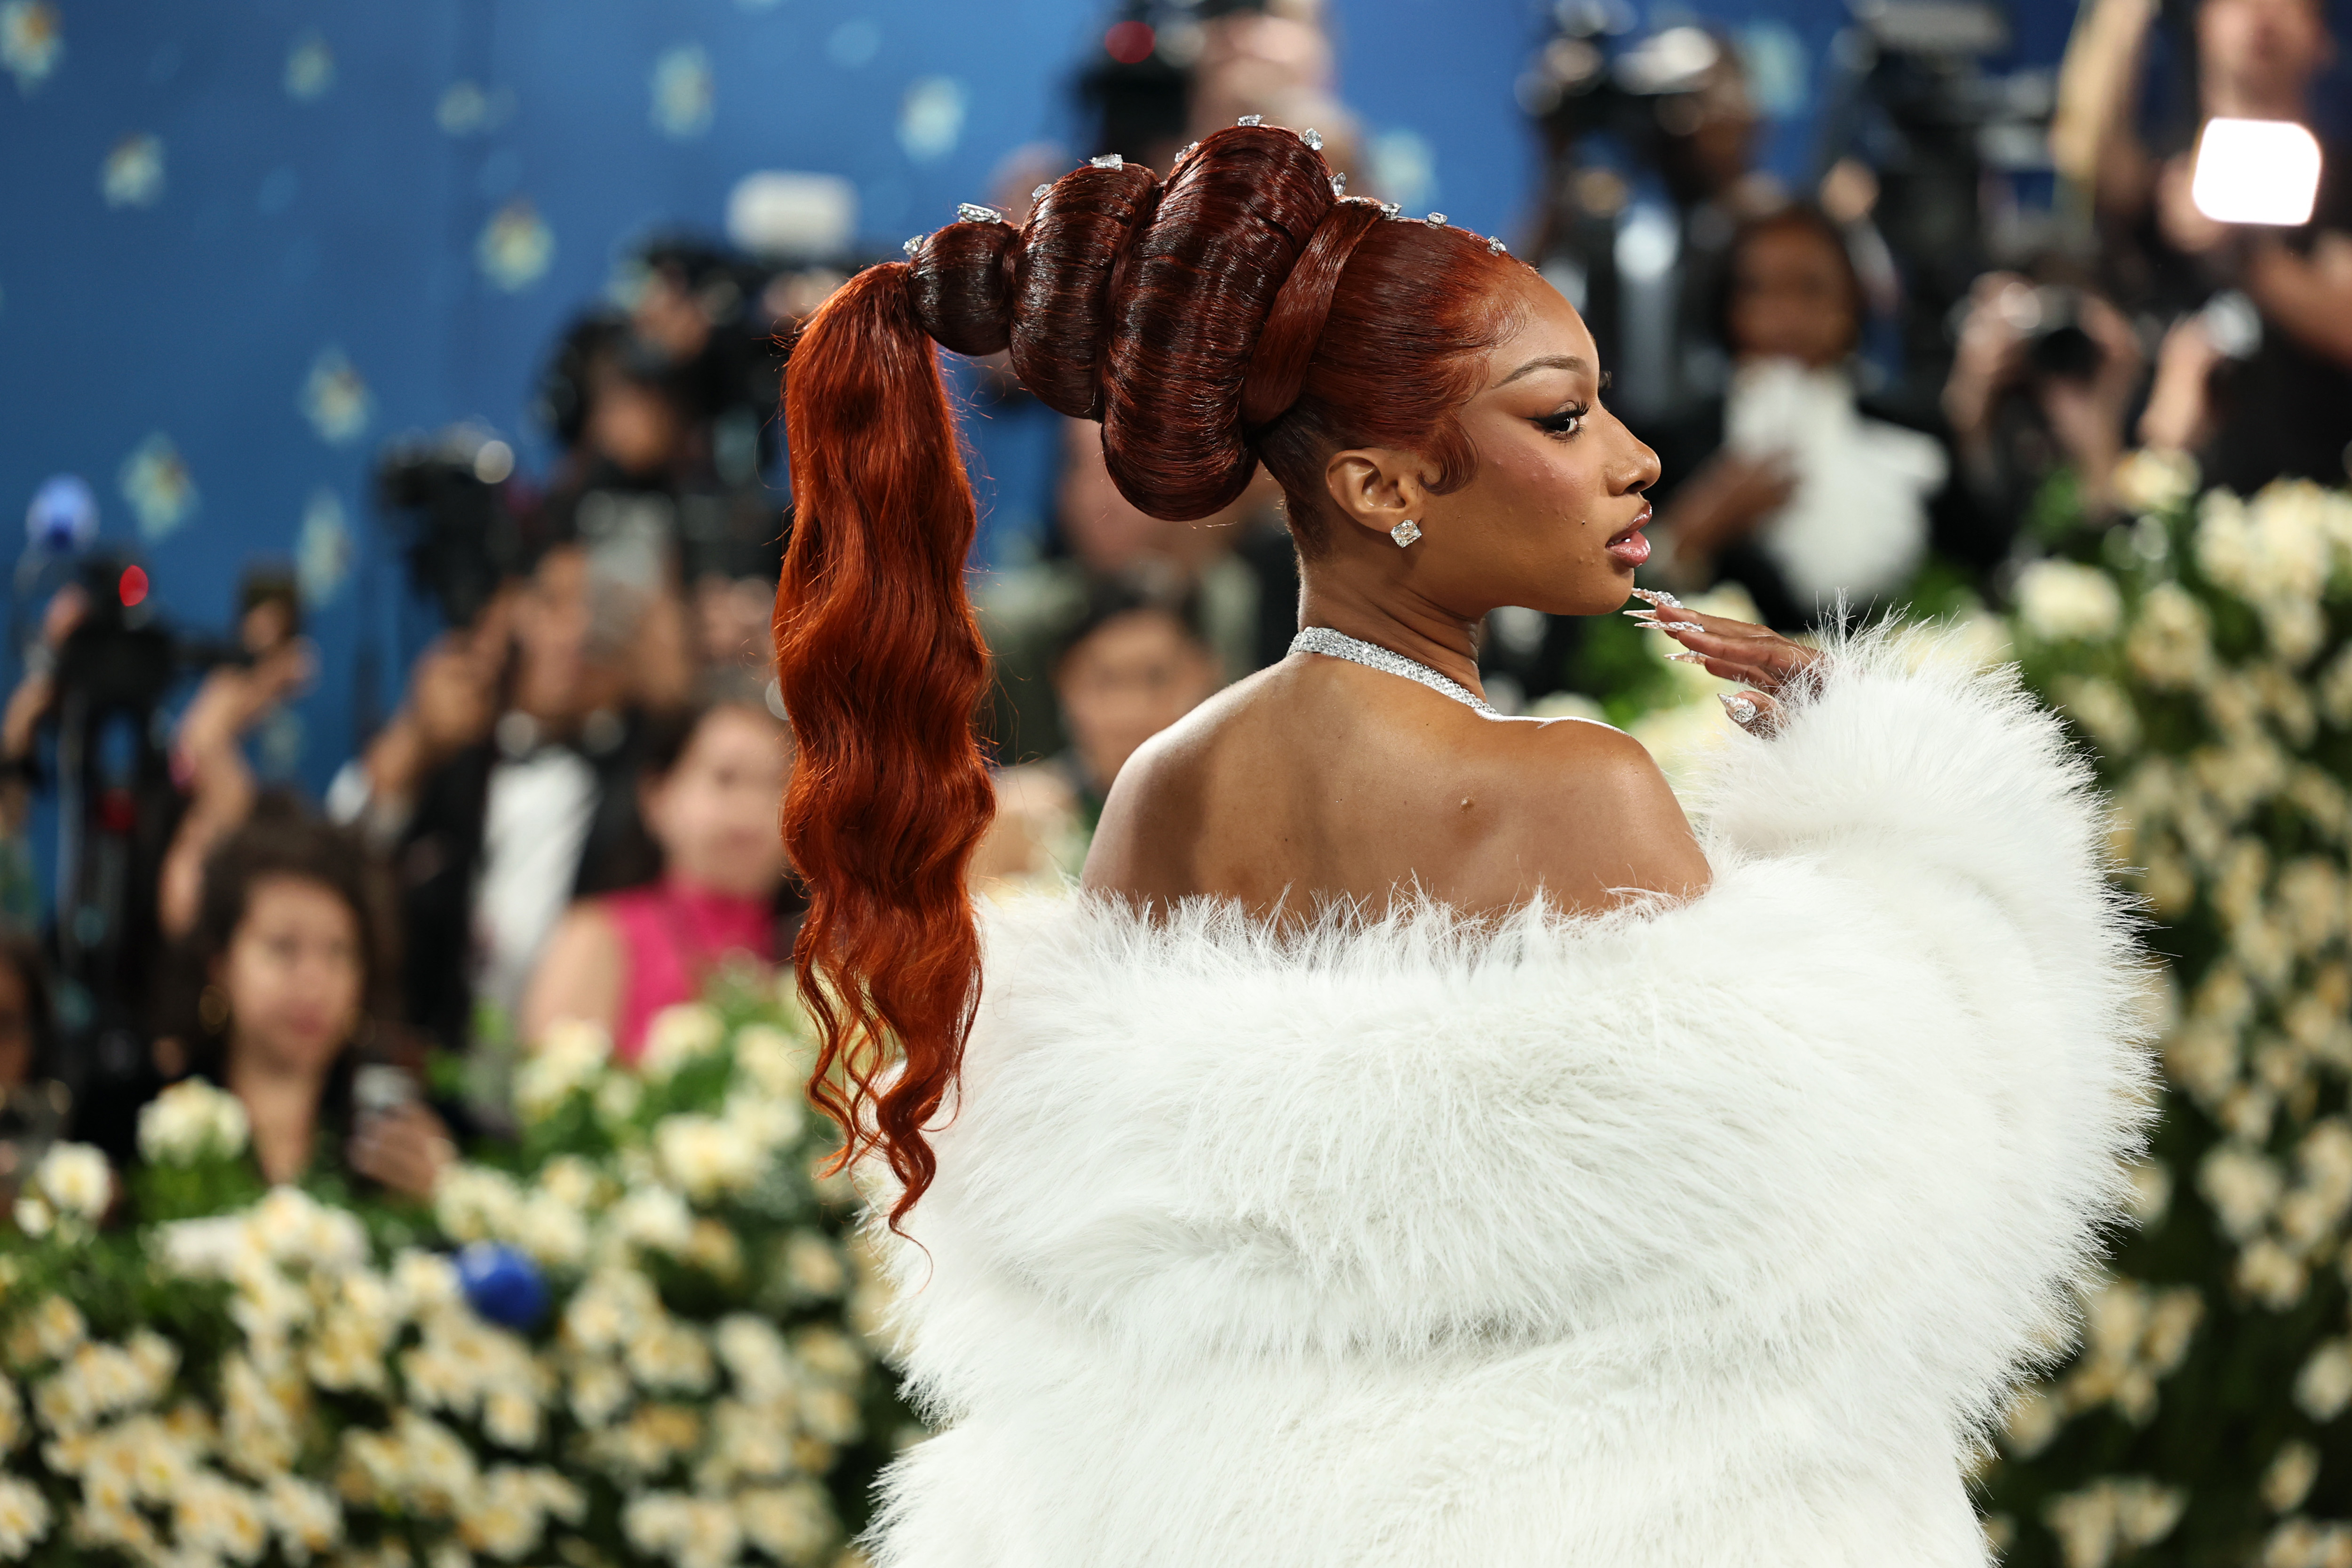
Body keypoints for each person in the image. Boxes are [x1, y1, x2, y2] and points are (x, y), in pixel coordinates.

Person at [775, 124, 2146, 1564]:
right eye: (1560, 421)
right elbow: (1867, 1213)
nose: (1635, 460)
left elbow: (1136, 1260)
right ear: (1380, 487)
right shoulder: (1576, 789)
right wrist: (1897, 786)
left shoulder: (1164, 789)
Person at [1644, 204, 1993, 628]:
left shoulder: (1915, 428)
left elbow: (1983, 576)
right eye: (1759, 290)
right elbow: (1622, 610)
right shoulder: (1670, 445)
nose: (1785, 314)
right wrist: (1700, 523)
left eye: (1809, 289)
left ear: (1852, 301)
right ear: (1727, 306)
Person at [2057, 0, 2352, 490]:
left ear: (2322, 38)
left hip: (2318, 505)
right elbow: (2082, 152)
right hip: (2169, 494)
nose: (2262, 17)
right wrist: (2121, 16)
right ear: (2200, 23)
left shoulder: (2341, 187)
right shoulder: (2159, 179)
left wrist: (2244, 254)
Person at [154, 804, 450, 1200]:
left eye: (339, 952)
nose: (314, 982)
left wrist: (442, 1196)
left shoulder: (395, 1145)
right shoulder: (150, 1128)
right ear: (220, 966)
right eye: (283, 948)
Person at [520, 686, 796, 1060]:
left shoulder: (818, 953)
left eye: (778, 784)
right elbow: (554, 1102)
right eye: (726, 779)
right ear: (658, 796)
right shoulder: (599, 937)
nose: (752, 809)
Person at [968, 573, 1220, 893]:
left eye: (1157, 678)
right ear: (1065, 684)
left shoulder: (1242, 813)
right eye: (1106, 681)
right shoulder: (1011, 818)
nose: (1131, 712)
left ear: (1205, 672)